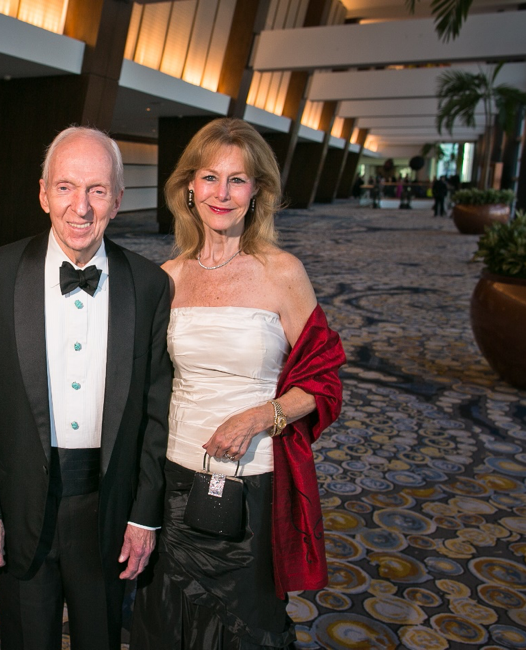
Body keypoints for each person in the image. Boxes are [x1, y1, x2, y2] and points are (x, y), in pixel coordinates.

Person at [131, 118, 346, 649]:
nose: (221, 193)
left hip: (252, 483)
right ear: (189, 187)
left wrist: (258, 416)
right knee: (167, 620)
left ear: (257, 193)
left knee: (245, 625)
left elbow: (324, 381)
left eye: (237, 180)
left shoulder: (282, 273)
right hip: (174, 481)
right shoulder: (169, 277)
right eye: (209, 178)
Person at [0, 126, 172, 650]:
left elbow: (157, 414)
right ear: (42, 193)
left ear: (117, 201)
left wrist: (145, 514)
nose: (81, 206)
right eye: (66, 187)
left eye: (97, 190)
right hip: (21, 502)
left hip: (109, 506)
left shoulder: (148, 285)